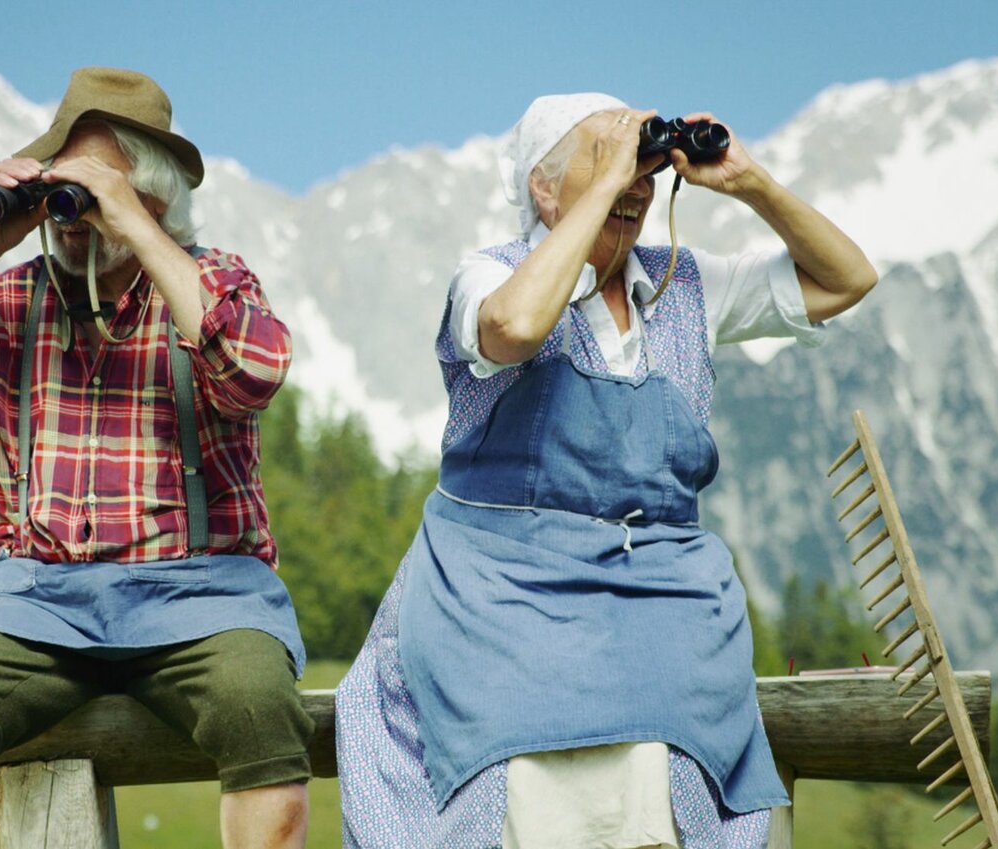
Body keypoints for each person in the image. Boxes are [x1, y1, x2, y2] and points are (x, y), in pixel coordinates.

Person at [335, 93, 878, 849]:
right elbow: (516, 327)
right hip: (500, 589)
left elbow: (847, 278)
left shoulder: (685, 282)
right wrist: (602, 189)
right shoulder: (490, 275)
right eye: (606, 158)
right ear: (543, 186)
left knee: (681, 754)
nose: (633, 182)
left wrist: (751, 182)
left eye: (643, 165)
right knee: (505, 752)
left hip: (659, 590)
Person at [0, 67, 310, 849]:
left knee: (258, 710)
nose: (70, 219)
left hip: (202, 593)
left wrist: (136, 228)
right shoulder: (15, 298)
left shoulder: (211, 283)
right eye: (61, 197)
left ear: (157, 200)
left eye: (91, 195)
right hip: (38, 594)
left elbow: (255, 370)